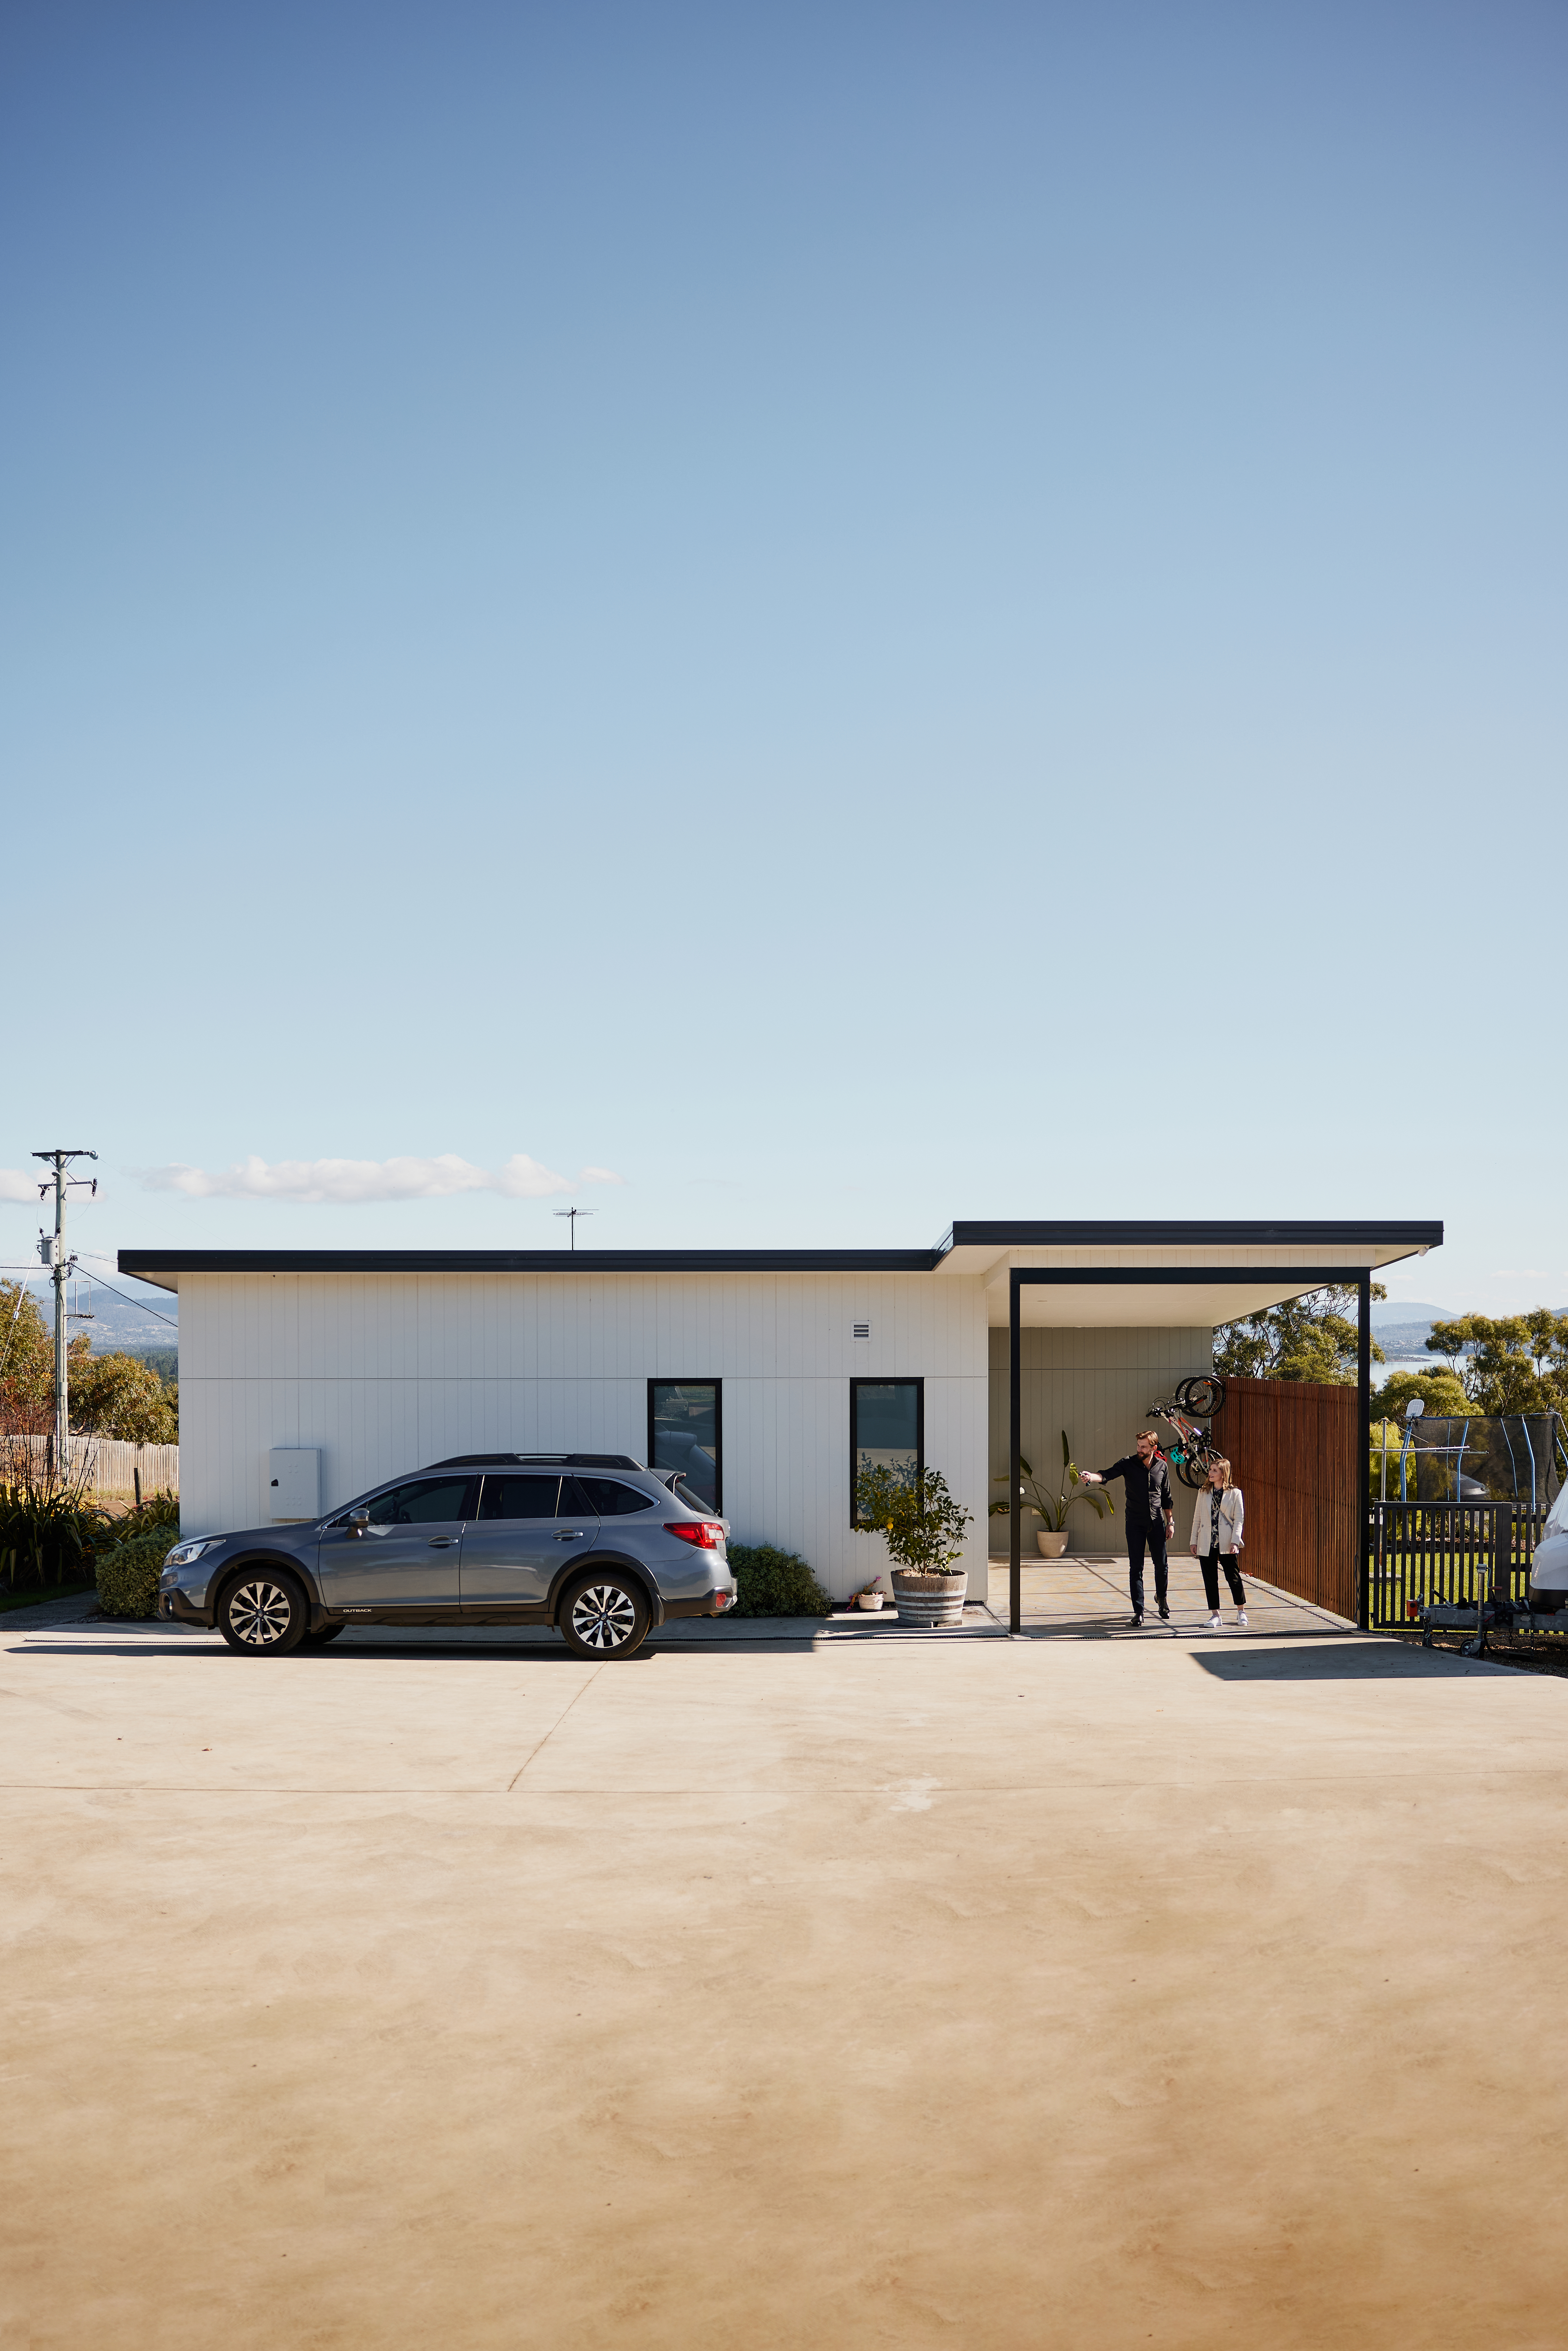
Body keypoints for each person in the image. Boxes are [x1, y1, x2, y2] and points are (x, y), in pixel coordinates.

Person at [1080, 1433, 1175, 1627]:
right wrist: (1091, 1476)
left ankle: (1162, 1600)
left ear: (1153, 1448)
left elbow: (1166, 1496)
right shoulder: (1128, 1463)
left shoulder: (1162, 1466)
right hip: (1135, 1523)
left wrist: (1170, 1522)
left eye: (1143, 1447)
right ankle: (1139, 1612)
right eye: (1138, 1446)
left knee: (1162, 1565)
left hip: (1157, 1523)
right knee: (1136, 1568)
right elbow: (1107, 1474)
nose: (1139, 1450)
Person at [1190, 1456, 1247, 1631]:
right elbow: (1197, 1518)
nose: (1210, 1473)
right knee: (1210, 1579)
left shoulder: (1235, 1493)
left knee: (1233, 1577)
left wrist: (1235, 1541)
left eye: (1215, 1470)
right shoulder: (1203, 1492)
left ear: (1224, 1473)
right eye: (1211, 1470)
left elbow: (1239, 1520)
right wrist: (1194, 1541)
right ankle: (1215, 1615)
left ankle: (1241, 1611)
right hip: (1207, 1542)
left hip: (1227, 1543)